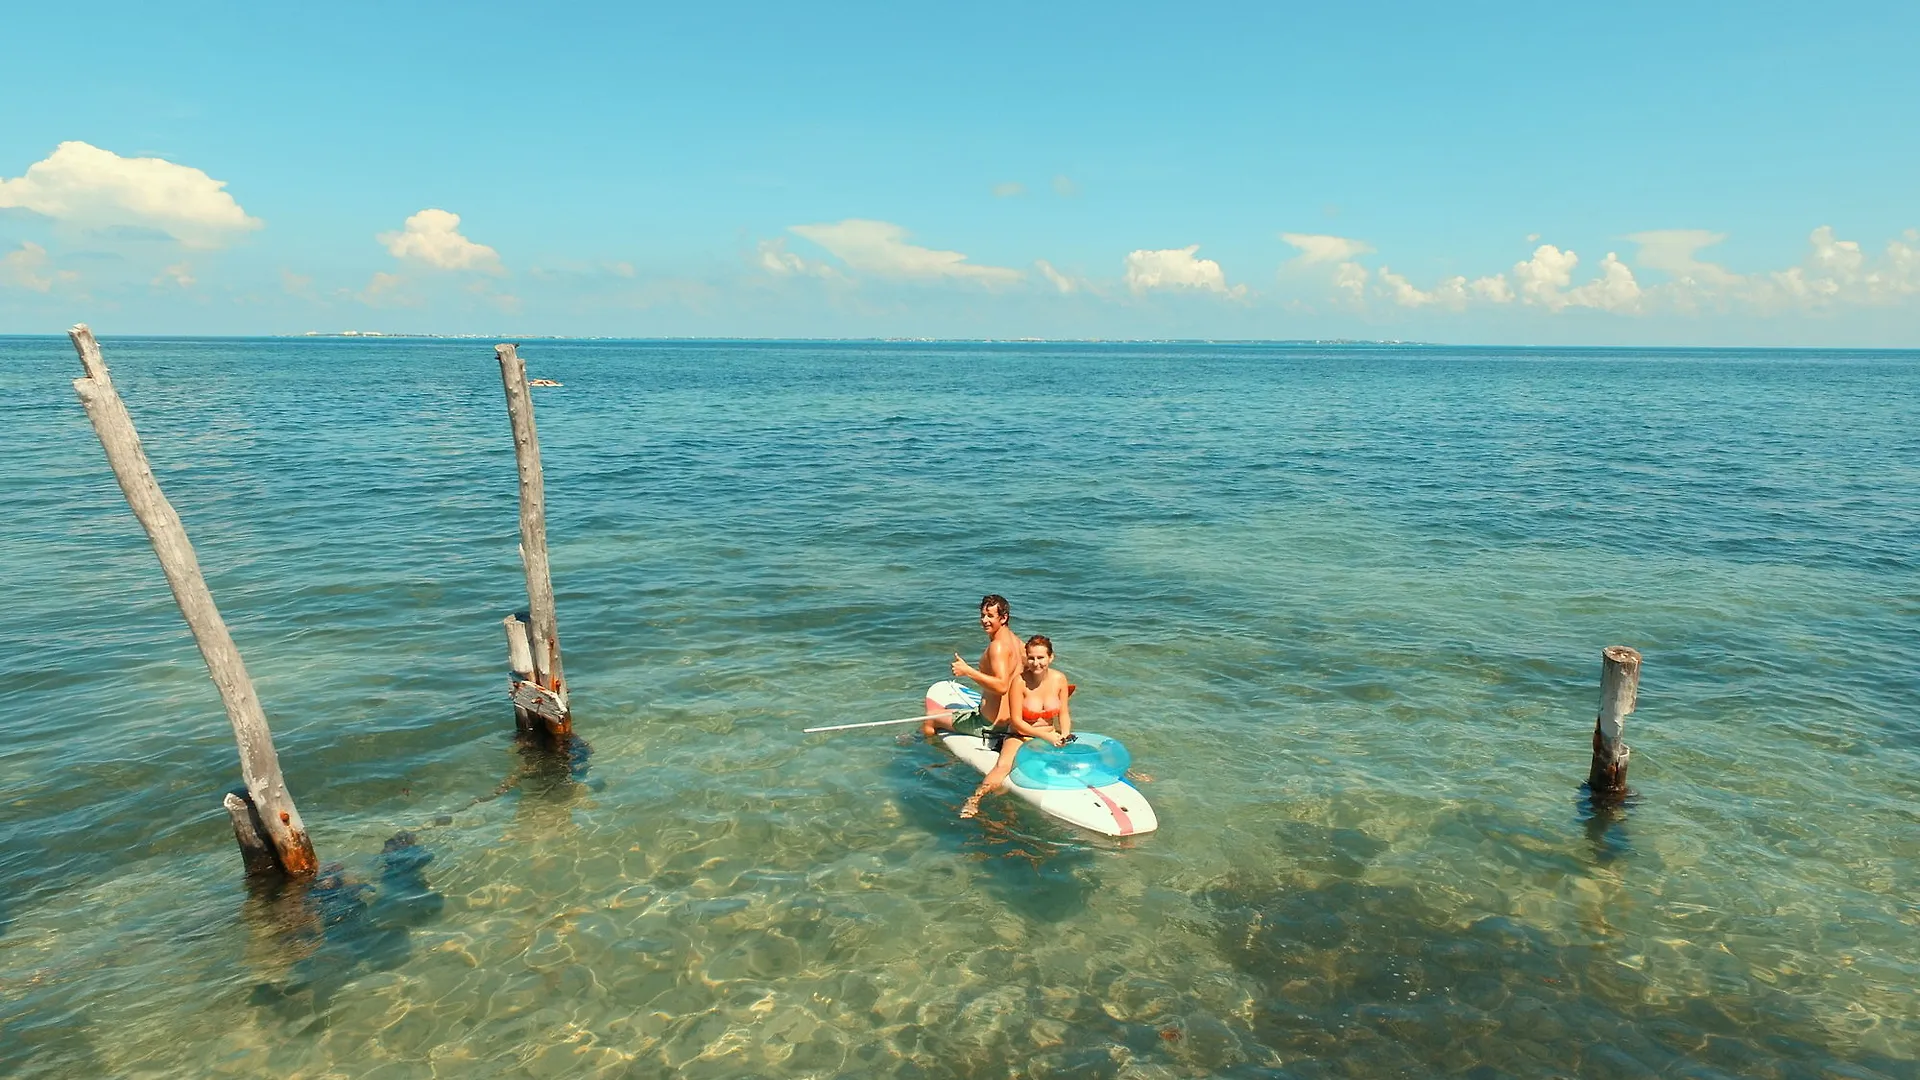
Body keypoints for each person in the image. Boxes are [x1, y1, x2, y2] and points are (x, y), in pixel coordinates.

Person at [960, 634, 1074, 819]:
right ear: (1026, 658)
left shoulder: (1059, 679)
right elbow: (1017, 721)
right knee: (1003, 767)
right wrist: (1048, 737)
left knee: (1077, 759)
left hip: (1051, 734)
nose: (1036, 663)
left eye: (1041, 658)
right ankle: (974, 800)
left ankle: (1129, 775)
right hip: (1021, 735)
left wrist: (1065, 735)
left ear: (1050, 657)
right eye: (1031, 658)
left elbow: (1064, 714)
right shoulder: (1019, 682)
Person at [924, 594, 1025, 737]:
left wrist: (967, 671)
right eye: (983, 615)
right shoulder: (1017, 642)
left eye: (990, 616)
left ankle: (927, 749)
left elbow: (1002, 686)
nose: (984, 620)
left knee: (930, 718)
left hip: (990, 724)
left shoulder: (998, 647)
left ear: (1004, 618)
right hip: (1010, 720)